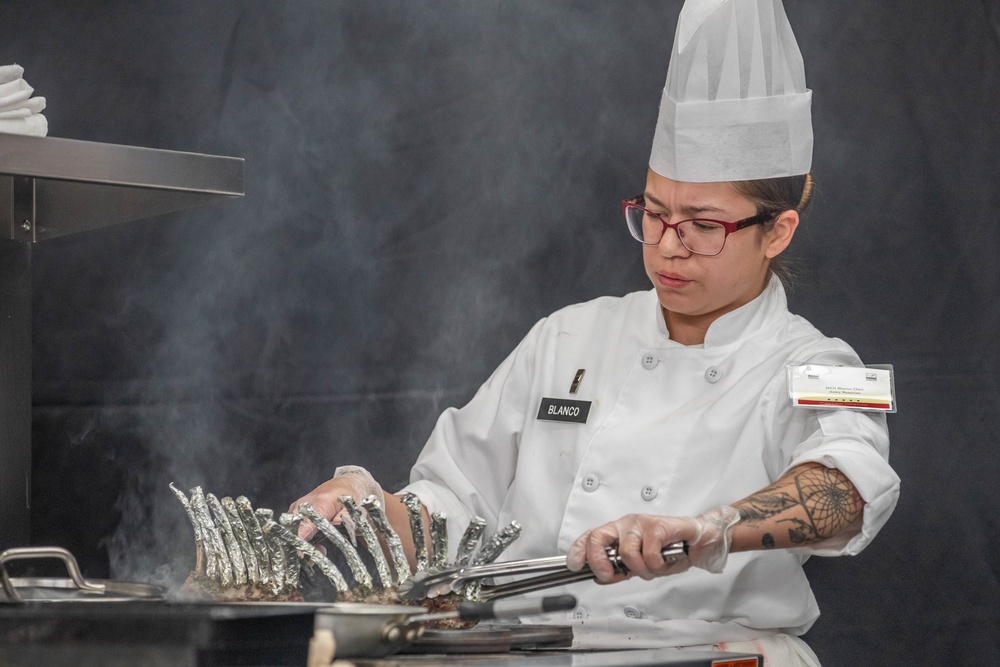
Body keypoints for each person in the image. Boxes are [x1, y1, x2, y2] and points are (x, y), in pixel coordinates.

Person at [290, 1, 900, 665]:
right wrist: (375, 506)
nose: (669, 246)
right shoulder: (569, 337)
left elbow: (850, 485)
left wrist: (711, 528)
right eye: (655, 214)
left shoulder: (815, 361)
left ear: (776, 230)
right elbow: (456, 506)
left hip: (706, 653)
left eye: (703, 224)